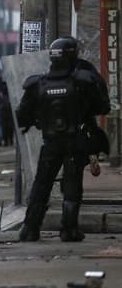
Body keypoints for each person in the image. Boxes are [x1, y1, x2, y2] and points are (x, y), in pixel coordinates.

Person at [16, 37, 110, 242]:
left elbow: (22, 116)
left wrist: (39, 118)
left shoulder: (38, 83)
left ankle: (30, 228)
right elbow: (103, 106)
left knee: (41, 184)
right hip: (75, 140)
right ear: (73, 54)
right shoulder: (83, 80)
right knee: (72, 183)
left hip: (50, 142)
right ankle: (68, 230)